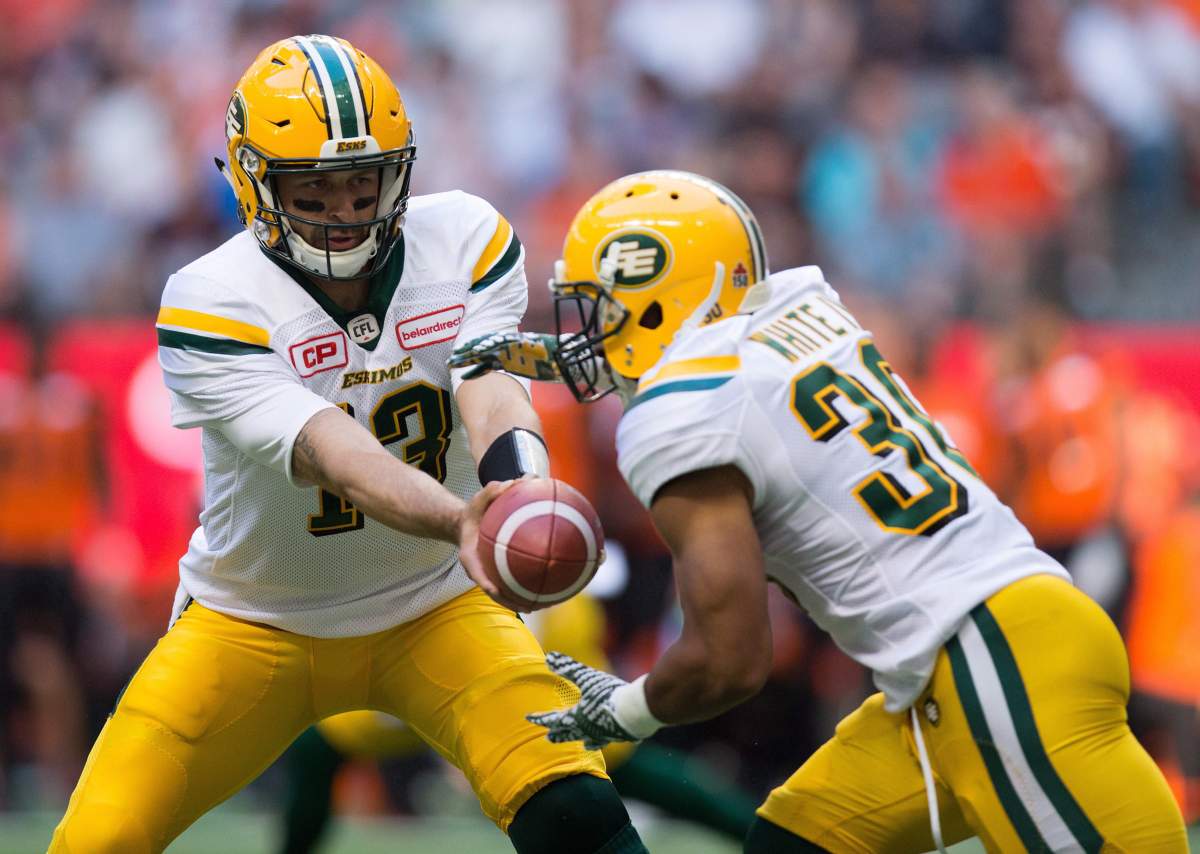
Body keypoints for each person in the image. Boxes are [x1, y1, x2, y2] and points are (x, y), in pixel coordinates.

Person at [450, 170, 1188, 852]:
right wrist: (545, 355)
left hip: (991, 663)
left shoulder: (678, 416)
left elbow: (729, 659)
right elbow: (708, 364)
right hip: (971, 659)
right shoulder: (802, 315)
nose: (589, 330)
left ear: (654, 297)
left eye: (602, 308)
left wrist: (625, 710)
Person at [48, 36, 646, 854]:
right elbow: (336, 453)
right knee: (97, 840)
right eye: (314, 190)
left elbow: (488, 384)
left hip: (435, 607)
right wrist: (464, 523)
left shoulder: (466, 238)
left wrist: (520, 485)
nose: (344, 210)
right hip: (253, 625)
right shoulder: (209, 298)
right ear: (255, 182)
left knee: (579, 814)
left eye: (361, 183)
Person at [277, 591, 757, 854]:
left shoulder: (568, 615)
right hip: (427, 667)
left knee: (599, 772)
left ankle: (751, 832)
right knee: (324, 743)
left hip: (514, 697)